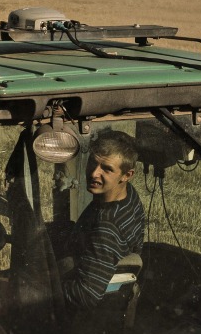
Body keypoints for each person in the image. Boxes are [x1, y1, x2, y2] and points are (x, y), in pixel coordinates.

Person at [54, 129, 146, 309]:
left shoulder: (106, 227)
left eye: (107, 169)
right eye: (92, 163)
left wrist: (46, 286)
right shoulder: (128, 195)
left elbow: (86, 295)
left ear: (127, 175)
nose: (94, 173)